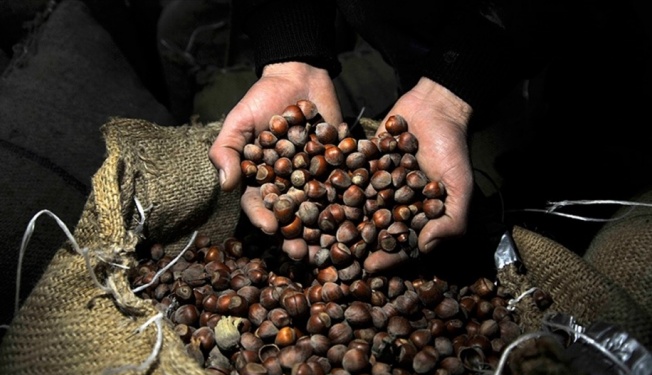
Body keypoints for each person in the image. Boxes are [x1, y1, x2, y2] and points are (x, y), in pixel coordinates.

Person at [209, 0, 649, 272]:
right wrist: (291, 51)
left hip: (568, 49)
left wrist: (455, 86)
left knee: (576, 154)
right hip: (415, 37)